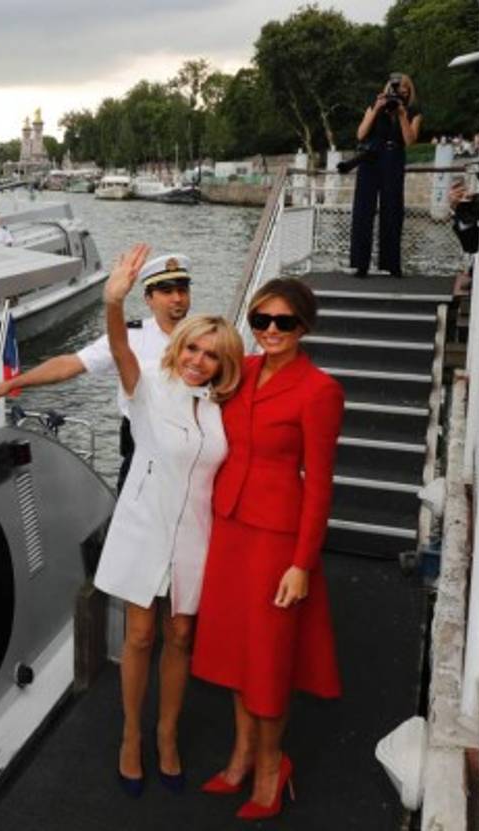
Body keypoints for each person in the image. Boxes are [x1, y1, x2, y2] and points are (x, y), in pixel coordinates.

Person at [191, 278, 344, 820]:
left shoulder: (320, 390)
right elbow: (182, 372)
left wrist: (302, 563)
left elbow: (320, 485)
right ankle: (241, 754)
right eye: (261, 321)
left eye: (284, 322)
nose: (271, 331)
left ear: (304, 325)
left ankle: (271, 764)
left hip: (277, 539)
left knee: (270, 658)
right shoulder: (240, 372)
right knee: (239, 653)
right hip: (229, 527)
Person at [95, 243, 242, 798]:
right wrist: (114, 301)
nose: (197, 360)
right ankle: (131, 736)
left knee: (180, 635)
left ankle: (167, 735)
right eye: (191, 349)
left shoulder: (221, 407)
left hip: (196, 538)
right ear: (177, 348)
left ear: (222, 362)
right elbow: (118, 347)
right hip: (144, 527)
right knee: (139, 636)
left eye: (210, 354)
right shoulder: (148, 388)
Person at [0, 253, 193, 492]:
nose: (177, 298)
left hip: (192, 446)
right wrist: (12, 383)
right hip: (143, 445)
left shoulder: (206, 338)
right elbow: (70, 364)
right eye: (167, 292)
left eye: (183, 290)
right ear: (148, 298)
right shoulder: (131, 337)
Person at [349, 73, 422, 278]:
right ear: (389, 87)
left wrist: (401, 114)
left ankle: (392, 264)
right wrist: (378, 108)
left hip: (393, 159)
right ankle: (360, 264)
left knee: (392, 211)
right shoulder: (375, 105)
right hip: (370, 159)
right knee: (363, 210)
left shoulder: (413, 111)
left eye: (406, 87)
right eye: (398, 87)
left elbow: (409, 141)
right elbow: (361, 134)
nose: (402, 90)